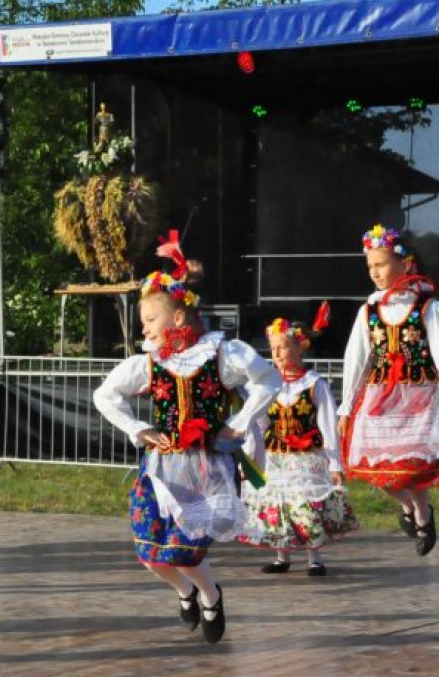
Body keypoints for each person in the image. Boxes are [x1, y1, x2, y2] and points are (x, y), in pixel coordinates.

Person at [93, 239, 280, 644]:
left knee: (185, 550)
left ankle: (211, 596)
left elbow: (269, 380)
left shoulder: (222, 355)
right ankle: (185, 591)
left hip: (205, 468)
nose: (144, 328)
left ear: (178, 317)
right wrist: (138, 429)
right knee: (149, 554)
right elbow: (104, 395)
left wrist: (240, 422)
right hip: (161, 469)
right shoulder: (149, 363)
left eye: (150, 319)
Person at [338, 225, 439, 556]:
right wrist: (346, 406)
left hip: (419, 397)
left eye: (380, 264)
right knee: (373, 468)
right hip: (380, 399)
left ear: (404, 264)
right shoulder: (368, 310)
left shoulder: (425, 305)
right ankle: (411, 507)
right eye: (370, 266)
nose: (374, 272)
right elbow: (356, 360)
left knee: (411, 467)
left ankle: (422, 514)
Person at [238, 310, 358, 576]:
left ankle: (314, 558)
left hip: (306, 457)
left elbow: (327, 424)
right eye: (273, 349)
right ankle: (281, 556)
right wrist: (248, 458)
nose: (277, 353)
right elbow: (257, 425)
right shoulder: (265, 386)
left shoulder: (314, 384)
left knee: (304, 505)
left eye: (283, 347)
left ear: (300, 347)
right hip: (274, 457)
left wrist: (335, 463)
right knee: (277, 504)